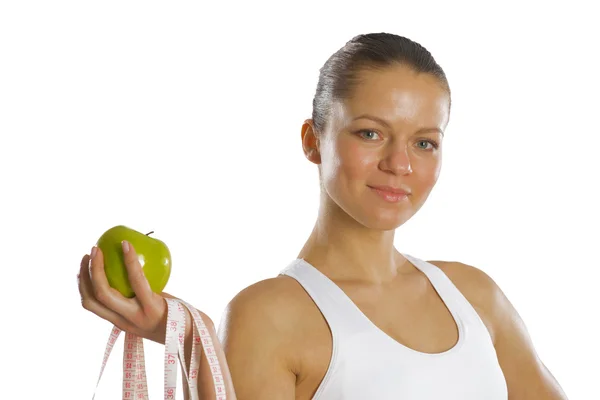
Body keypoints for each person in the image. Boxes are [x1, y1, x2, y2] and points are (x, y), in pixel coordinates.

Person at [78, 33, 569, 399]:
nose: (400, 164)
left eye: (424, 142)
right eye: (370, 133)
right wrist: (192, 336)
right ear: (314, 140)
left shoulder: (475, 296)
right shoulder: (266, 316)